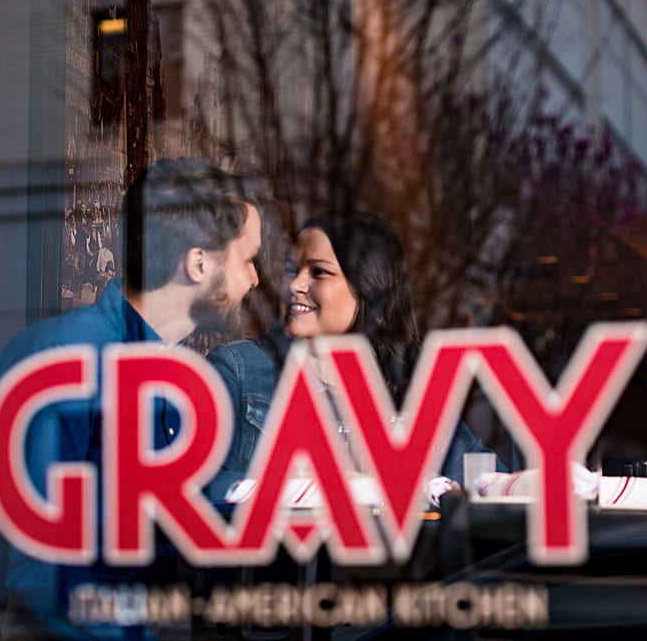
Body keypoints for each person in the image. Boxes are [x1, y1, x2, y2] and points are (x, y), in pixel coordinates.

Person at [0, 158, 262, 637]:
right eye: (248, 260)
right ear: (199, 263)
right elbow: (42, 579)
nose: (255, 280)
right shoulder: (68, 361)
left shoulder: (171, 377)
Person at [206, 210, 496, 503]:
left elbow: (483, 479)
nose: (295, 285)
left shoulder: (409, 386)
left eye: (319, 272)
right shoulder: (242, 370)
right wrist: (341, 489)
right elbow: (203, 484)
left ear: (370, 290)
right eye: (291, 270)